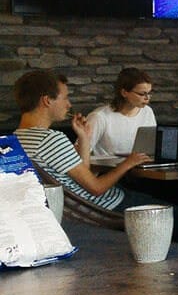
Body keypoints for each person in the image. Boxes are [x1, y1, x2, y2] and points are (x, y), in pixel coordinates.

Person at [13, 70, 148, 211]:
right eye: (65, 98)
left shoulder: (17, 139)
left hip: (81, 208)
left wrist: (84, 138)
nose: (69, 104)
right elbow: (97, 188)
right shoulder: (50, 139)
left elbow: (83, 176)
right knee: (171, 211)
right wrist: (128, 163)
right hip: (105, 206)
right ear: (47, 101)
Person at [87, 67, 157, 157]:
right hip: (108, 169)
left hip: (140, 167)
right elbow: (81, 152)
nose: (147, 98)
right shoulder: (99, 117)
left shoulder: (147, 112)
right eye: (142, 94)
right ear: (124, 92)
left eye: (149, 93)